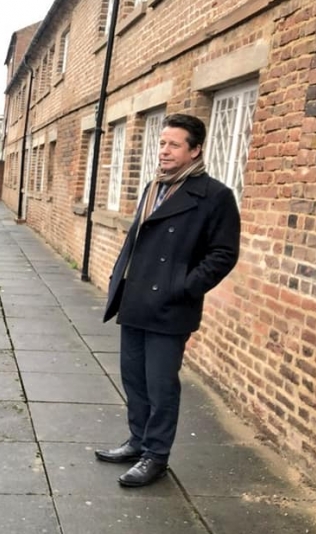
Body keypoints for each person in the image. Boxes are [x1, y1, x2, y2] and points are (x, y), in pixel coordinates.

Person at [97, 113, 240, 487]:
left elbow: (223, 254)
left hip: (170, 307)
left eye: (174, 144)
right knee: (134, 380)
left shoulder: (215, 196)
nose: (164, 150)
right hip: (136, 300)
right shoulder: (154, 187)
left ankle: (156, 456)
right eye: (162, 143)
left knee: (161, 386)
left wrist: (184, 287)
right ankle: (138, 441)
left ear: (195, 150)